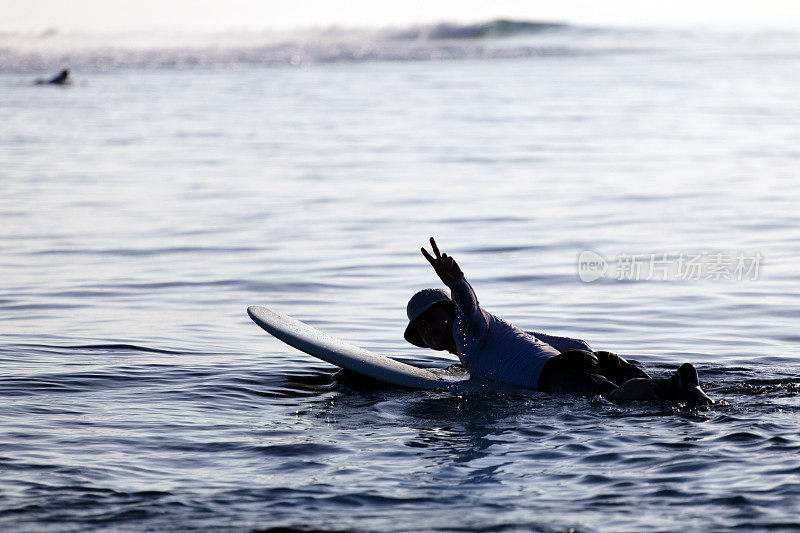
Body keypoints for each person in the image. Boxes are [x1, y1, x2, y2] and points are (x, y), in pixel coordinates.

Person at [405, 237, 713, 405]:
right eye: (421, 328)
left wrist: (457, 282)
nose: (428, 329)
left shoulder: (468, 330)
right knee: (651, 394)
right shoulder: (494, 333)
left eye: (432, 318)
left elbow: (468, 306)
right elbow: (576, 345)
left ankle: (674, 386)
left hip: (556, 375)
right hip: (585, 359)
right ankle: (683, 388)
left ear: (450, 311)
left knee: (615, 398)